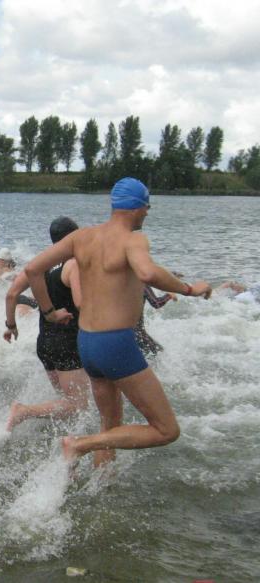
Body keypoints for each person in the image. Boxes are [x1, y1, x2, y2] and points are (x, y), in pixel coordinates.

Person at [24, 178, 212, 467]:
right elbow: (147, 273)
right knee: (166, 430)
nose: (148, 212)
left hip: (86, 342)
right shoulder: (133, 239)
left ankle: (102, 482)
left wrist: (49, 312)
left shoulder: (81, 237)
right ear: (137, 207)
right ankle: (79, 444)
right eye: (147, 206)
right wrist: (190, 289)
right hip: (115, 344)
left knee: (110, 426)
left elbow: (32, 269)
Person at [3, 217, 90, 431]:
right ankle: (24, 411)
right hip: (67, 342)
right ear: (72, 238)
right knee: (78, 406)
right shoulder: (72, 265)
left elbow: (11, 295)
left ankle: (64, 443)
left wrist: (11, 326)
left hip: (45, 342)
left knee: (65, 401)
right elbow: (82, 303)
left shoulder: (41, 264)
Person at [135, 286, 177, 356]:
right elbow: (156, 303)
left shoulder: (117, 285)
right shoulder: (141, 285)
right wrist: (169, 295)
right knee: (159, 353)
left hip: (118, 331)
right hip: (137, 333)